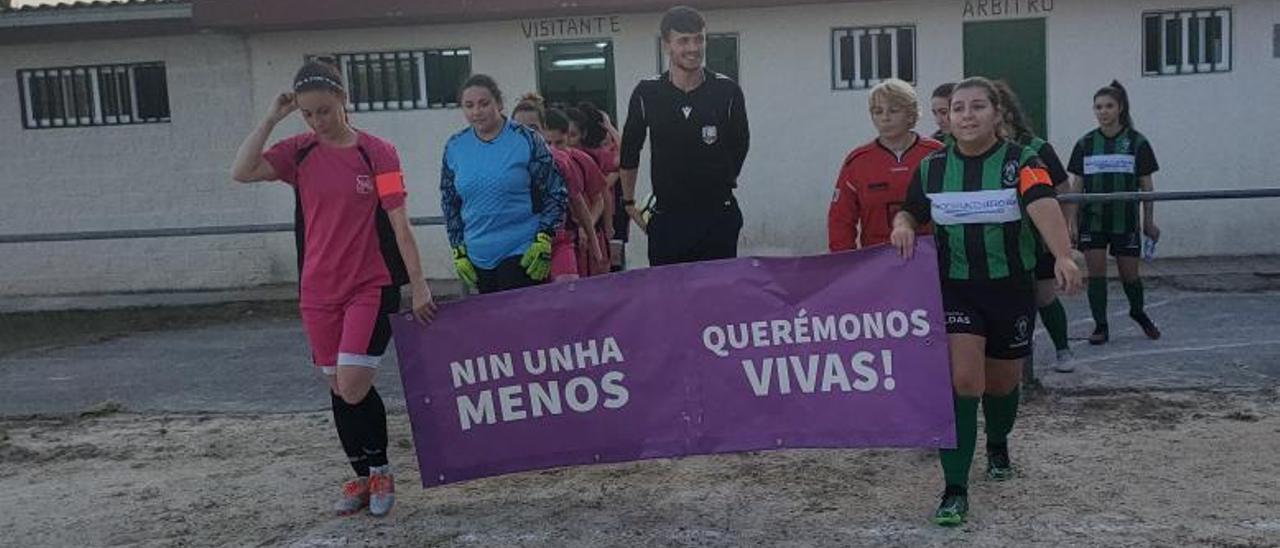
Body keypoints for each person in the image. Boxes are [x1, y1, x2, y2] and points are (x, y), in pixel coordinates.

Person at [230, 57, 437, 517]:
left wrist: (419, 284)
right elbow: (241, 171)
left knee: (353, 383)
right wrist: (270, 118)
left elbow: (400, 223)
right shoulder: (299, 151)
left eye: (325, 110)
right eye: (308, 113)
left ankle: (383, 469)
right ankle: (360, 476)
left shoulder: (377, 153)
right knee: (338, 388)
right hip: (317, 292)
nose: (317, 121)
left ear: (343, 100)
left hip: (369, 284)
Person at [890, 77, 1082, 526]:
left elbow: (1042, 204)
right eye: (958, 108)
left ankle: (997, 442)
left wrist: (1062, 255)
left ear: (997, 114)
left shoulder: (1022, 161)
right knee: (963, 381)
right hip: (956, 289)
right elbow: (911, 209)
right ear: (948, 118)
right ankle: (955, 488)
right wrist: (902, 224)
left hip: (1010, 290)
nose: (967, 115)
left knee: (1000, 384)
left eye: (978, 106)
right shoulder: (932, 167)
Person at [619, 5, 750, 266]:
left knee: (719, 301)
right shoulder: (647, 92)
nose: (693, 48)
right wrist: (629, 201)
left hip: (717, 219)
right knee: (670, 304)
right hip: (668, 221)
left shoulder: (727, 90)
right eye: (684, 40)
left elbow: (741, 144)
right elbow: (630, 148)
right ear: (667, 44)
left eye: (699, 39)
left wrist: (720, 180)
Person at [441, 75, 568, 294]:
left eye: (484, 103)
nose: (476, 111)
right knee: (490, 326)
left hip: (522, 250)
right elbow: (449, 199)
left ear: (498, 103)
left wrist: (544, 236)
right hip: (478, 254)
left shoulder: (527, 139)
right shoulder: (455, 146)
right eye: (469, 106)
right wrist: (457, 247)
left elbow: (555, 191)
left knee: (518, 324)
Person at [1067, 80, 1162, 345]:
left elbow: (1147, 186)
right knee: (1096, 274)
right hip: (1093, 220)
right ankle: (1101, 326)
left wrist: (1149, 221)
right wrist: (1071, 222)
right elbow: (1077, 185)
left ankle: (1138, 311)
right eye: (1098, 107)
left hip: (1125, 221)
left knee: (1129, 276)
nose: (1103, 111)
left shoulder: (1137, 142)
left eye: (1109, 106)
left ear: (1120, 108)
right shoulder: (1085, 143)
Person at [992, 81, 1077, 372]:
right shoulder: (981, 152)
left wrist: (1064, 229)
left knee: (1044, 296)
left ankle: (1063, 349)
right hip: (1004, 243)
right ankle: (1017, 360)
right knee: (1012, 298)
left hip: (1038, 238)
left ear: (1007, 113)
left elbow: (1064, 189)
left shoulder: (1036, 148)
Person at [828, 78, 943, 251]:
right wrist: (846, 264)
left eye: (893, 110)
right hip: (876, 259)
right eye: (877, 111)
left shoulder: (938, 154)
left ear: (911, 114)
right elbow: (840, 219)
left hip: (930, 257)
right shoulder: (857, 161)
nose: (885, 118)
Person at [511, 96, 605, 280]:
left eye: (533, 128)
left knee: (568, 293)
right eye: (518, 128)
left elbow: (580, 201)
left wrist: (594, 243)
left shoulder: (561, 161)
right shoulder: (500, 166)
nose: (526, 133)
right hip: (518, 246)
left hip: (558, 242)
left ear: (543, 130)